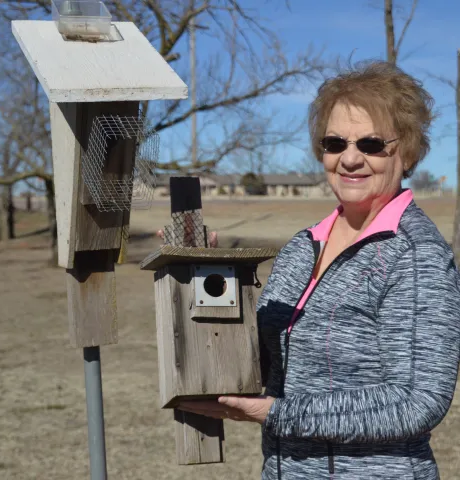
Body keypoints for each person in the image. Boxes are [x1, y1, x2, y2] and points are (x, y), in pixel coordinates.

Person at [176, 60, 460, 479]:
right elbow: (265, 363)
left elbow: (417, 400)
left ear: (408, 149)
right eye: (334, 143)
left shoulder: (415, 255)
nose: (349, 159)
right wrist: (205, 279)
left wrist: (279, 413)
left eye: (371, 144)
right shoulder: (302, 246)